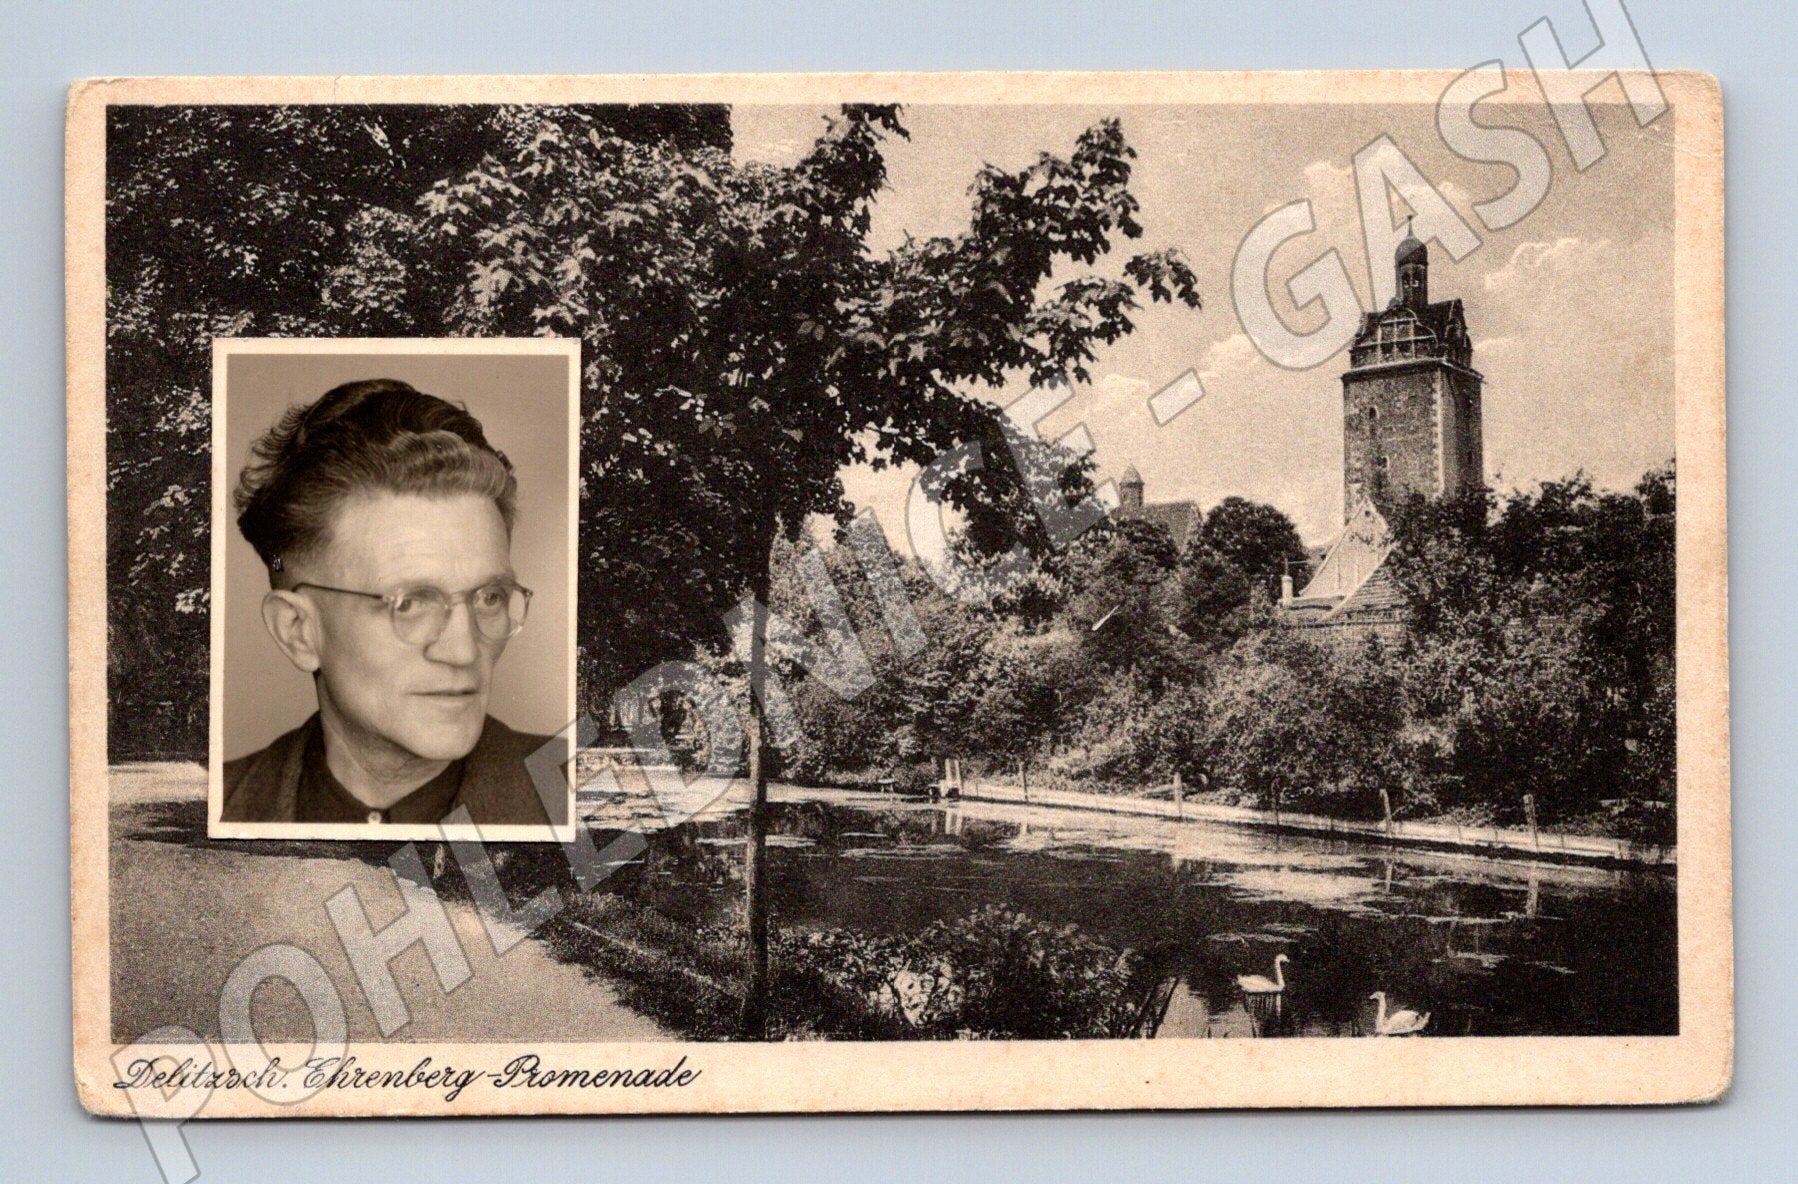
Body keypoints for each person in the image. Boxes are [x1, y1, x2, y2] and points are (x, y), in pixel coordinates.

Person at [221, 378, 563, 826]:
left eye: (490, 597)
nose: (464, 651)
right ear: (298, 632)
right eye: (410, 603)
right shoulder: (191, 817)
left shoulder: (597, 804)